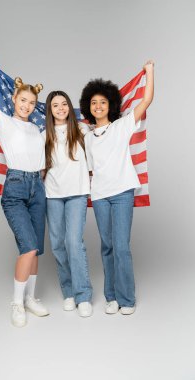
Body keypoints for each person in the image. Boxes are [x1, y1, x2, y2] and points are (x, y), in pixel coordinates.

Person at [0, 56, 49, 327]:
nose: (27, 106)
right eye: (23, 100)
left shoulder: (37, 129)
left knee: (37, 249)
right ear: (14, 99)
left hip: (37, 187)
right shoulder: (4, 121)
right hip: (16, 188)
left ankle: (31, 298)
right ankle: (17, 303)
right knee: (28, 247)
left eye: (31, 103)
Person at [79, 61, 154, 315]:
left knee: (121, 246)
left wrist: (150, 72)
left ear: (111, 104)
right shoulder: (88, 138)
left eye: (102, 102)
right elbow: (85, 168)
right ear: (88, 107)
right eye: (93, 103)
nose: (98, 106)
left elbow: (146, 101)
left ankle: (127, 299)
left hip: (122, 193)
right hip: (99, 196)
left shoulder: (122, 126)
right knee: (107, 246)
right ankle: (111, 296)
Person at [44, 91, 93, 317]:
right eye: (56, 105)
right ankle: (68, 292)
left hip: (77, 193)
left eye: (64, 104)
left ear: (69, 107)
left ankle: (83, 295)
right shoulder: (44, 134)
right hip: (52, 194)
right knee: (57, 244)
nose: (61, 108)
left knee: (74, 241)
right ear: (50, 110)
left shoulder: (82, 130)